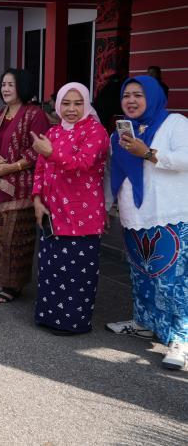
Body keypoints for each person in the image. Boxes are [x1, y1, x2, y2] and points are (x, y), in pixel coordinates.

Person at [105, 75, 188, 370]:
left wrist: (148, 153)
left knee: (173, 282)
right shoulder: (120, 135)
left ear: (152, 96)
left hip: (169, 214)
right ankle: (143, 322)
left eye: (138, 95)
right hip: (134, 216)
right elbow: (114, 175)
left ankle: (181, 338)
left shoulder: (175, 124)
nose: (131, 100)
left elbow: (185, 158)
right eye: (126, 95)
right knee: (142, 277)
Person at [30, 83, 108, 335]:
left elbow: (83, 163)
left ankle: (73, 322)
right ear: (58, 105)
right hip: (52, 213)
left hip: (82, 216)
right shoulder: (53, 132)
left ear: (86, 105)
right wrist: (37, 199)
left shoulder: (96, 131)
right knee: (51, 267)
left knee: (77, 271)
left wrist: (50, 152)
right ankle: (48, 316)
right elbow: (40, 169)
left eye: (77, 103)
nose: (71, 109)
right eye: (66, 103)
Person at [0, 68, 51, 303]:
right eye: (3, 84)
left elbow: (38, 149)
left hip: (21, 186)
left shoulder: (34, 114)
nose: (5, 89)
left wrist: (12, 167)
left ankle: (14, 285)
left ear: (23, 87)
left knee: (15, 237)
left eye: (11, 84)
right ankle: (1, 280)